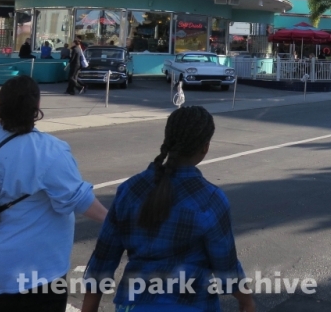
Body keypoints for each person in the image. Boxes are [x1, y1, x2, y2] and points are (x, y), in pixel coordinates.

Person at [82, 106, 254, 312]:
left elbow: (103, 259)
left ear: (167, 139)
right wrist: (246, 302)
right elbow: (226, 265)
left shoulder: (130, 189)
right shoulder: (210, 199)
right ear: (205, 147)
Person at [0, 76, 108, 311]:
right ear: (36, 107)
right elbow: (79, 199)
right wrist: (114, 221)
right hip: (33, 275)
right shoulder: (47, 150)